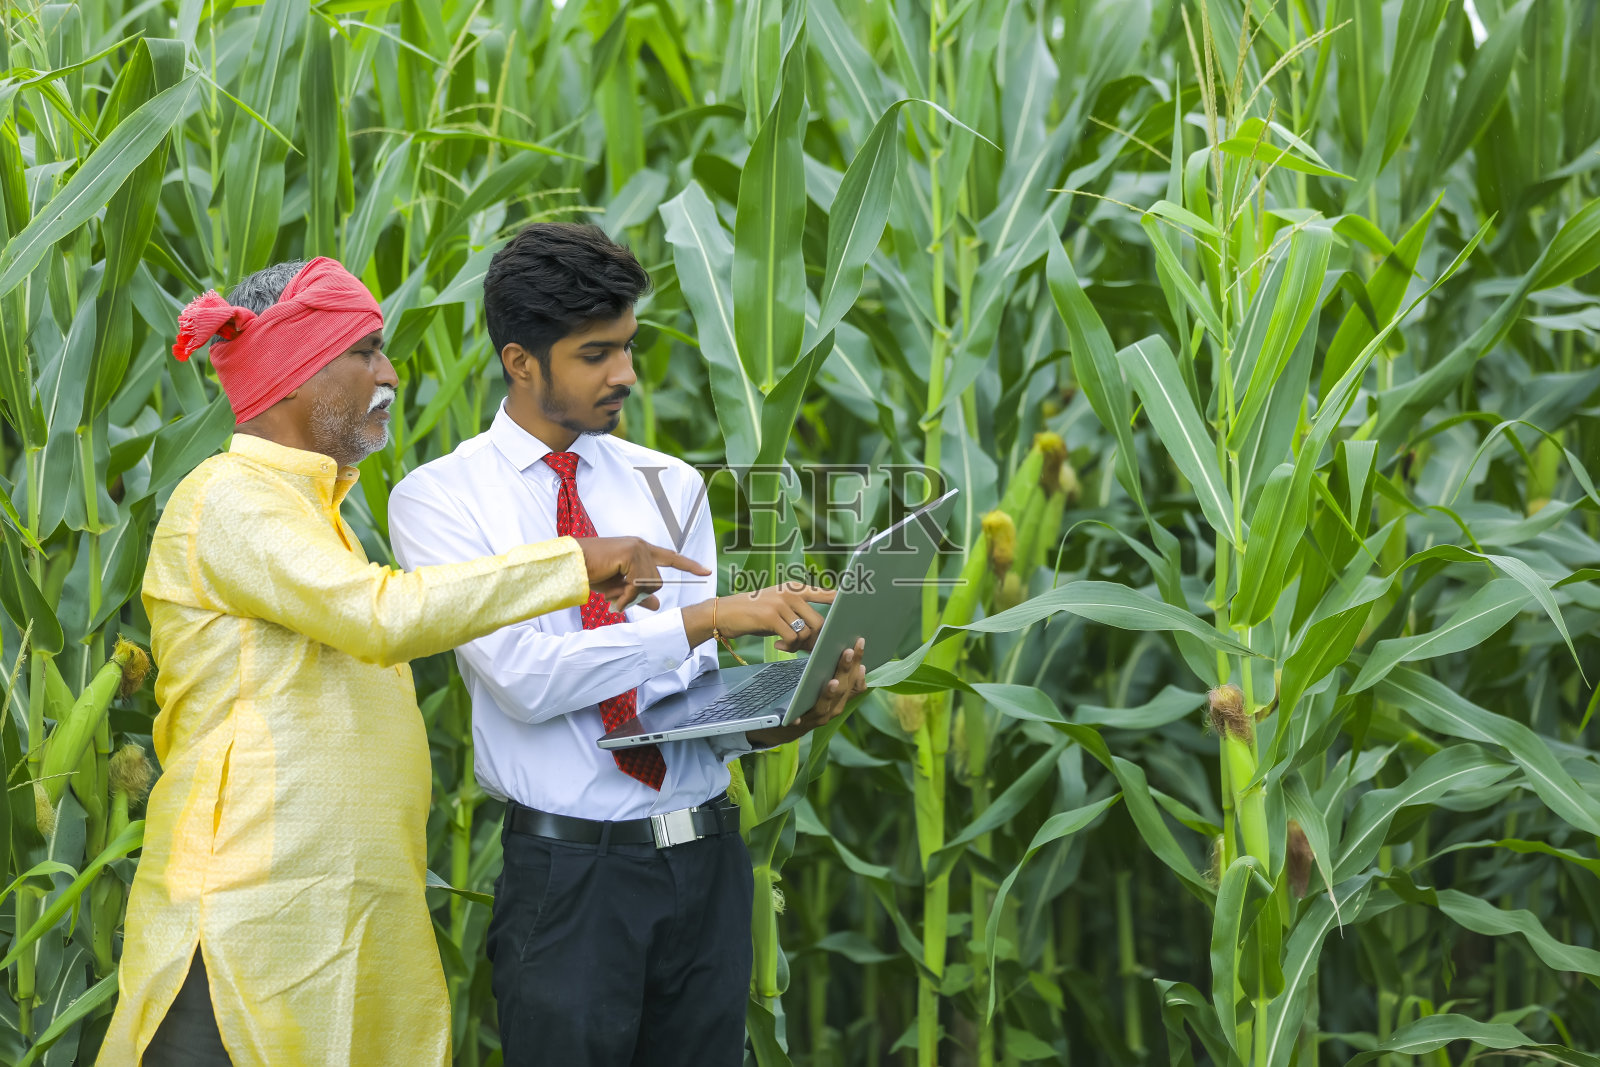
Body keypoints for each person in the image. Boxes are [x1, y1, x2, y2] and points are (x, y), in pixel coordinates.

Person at [100, 257, 706, 1067]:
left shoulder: (315, 511)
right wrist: (571, 563)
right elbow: (381, 615)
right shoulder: (230, 499)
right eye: (366, 351)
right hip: (244, 924)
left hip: (332, 920)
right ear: (296, 368)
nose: (390, 373)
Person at [387, 223, 867, 1067]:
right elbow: (525, 681)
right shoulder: (440, 501)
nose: (627, 375)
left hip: (706, 864)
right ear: (520, 361)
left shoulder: (671, 484)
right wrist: (707, 616)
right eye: (596, 353)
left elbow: (683, 707)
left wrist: (789, 714)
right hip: (571, 885)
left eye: (629, 346)